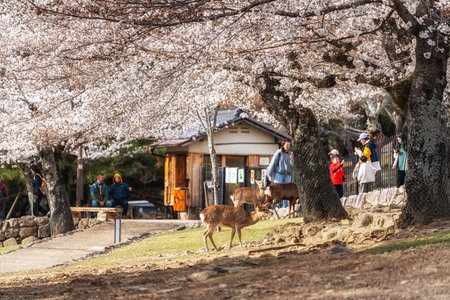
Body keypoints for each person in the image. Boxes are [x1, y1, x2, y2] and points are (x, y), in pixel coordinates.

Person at [267, 140, 294, 208]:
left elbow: (293, 166)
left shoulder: (291, 154)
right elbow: (273, 162)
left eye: (289, 145)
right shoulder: (279, 152)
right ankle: (276, 207)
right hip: (279, 174)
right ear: (283, 145)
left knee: (287, 191)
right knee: (277, 191)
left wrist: (292, 159)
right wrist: (270, 173)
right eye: (287, 145)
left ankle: (286, 206)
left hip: (288, 175)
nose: (288, 146)